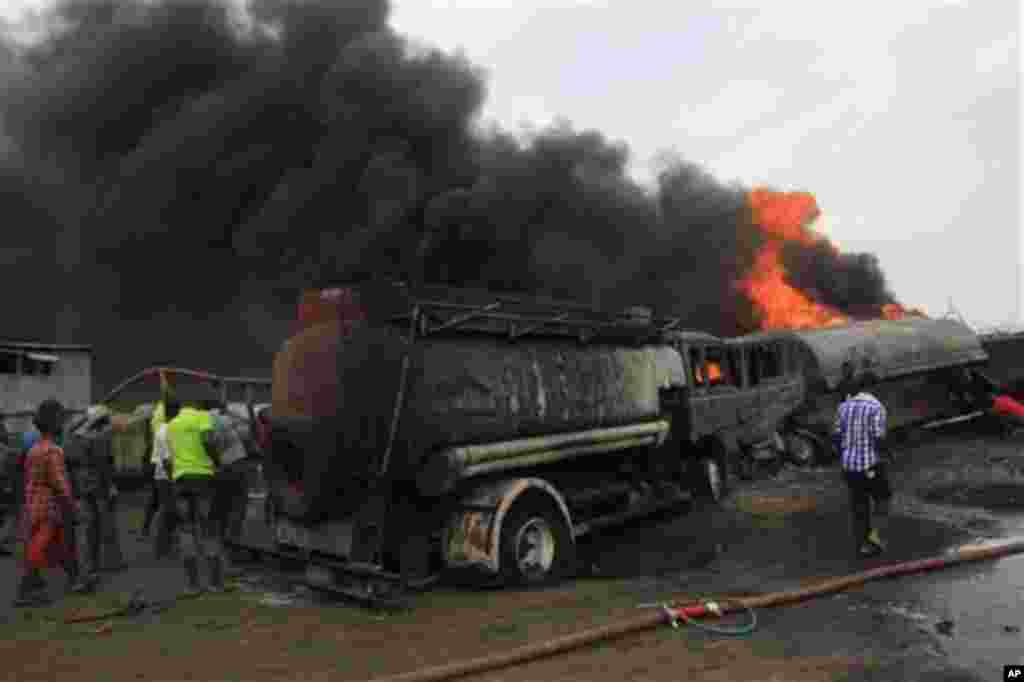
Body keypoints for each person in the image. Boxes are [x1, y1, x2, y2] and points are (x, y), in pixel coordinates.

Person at [13, 399, 79, 607]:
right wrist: (72, 504)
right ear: (55, 423)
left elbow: (29, 478)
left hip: (34, 503)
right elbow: (60, 483)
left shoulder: (34, 450)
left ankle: (75, 578)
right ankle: (27, 588)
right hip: (50, 506)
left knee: (61, 543)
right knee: (41, 544)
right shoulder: (54, 451)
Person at [165, 398, 227, 596]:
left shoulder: (171, 424)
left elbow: (168, 457)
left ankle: (192, 585)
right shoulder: (202, 417)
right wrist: (217, 461)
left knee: (186, 530)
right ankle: (215, 584)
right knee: (209, 528)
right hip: (203, 478)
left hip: (181, 479)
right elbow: (208, 440)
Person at [833, 372, 892, 558]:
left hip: (849, 466)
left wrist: (843, 455)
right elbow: (878, 438)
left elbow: (836, 436)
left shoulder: (843, 407)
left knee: (859, 504)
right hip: (869, 465)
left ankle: (862, 543)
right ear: (875, 387)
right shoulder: (877, 407)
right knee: (883, 498)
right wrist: (887, 455)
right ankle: (875, 539)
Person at [64, 406, 120, 592]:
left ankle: (90, 569)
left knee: (88, 527)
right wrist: (110, 485)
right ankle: (100, 565)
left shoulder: (73, 436)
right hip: (96, 486)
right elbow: (105, 464)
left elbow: (70, 462)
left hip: (80, 485)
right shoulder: (99, 438)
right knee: (100, 524)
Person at [143, 403, 177, 558]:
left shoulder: (162, 430)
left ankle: (165, 545)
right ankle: (161, 547)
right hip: (167, 475)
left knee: (167, 510)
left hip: (162, 475)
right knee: (167, 511)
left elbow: (155, 458)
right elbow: (163, 459)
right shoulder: (167, 431)